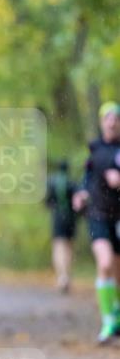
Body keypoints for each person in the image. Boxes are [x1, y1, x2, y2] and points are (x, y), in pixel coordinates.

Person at [72, 101, 120, 345]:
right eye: (108, 118)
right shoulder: (95, 148)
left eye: (116, 118)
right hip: (98, 214)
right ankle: (108, 321)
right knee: (105, 262)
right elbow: (87, 177)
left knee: (117, 269)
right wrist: (80, 194)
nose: (112, 122)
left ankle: (117, 313)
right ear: (102, 122)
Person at [45, 160, 78, 292]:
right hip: (70, 218)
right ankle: (67, 276)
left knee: (58, 246)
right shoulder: (72, 183)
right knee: (69, 246)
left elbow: (47, 202)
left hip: (57, 217)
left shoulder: (51, 183)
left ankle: (61, 276)